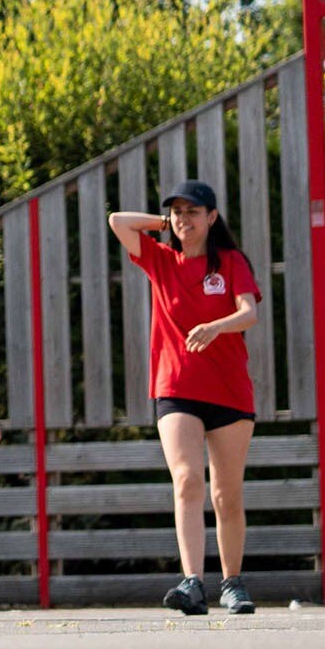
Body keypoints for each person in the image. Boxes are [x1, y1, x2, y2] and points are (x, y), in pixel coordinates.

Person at [107, 178, 263, 616]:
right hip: (175, 387)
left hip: (229, 392)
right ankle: (193, 582)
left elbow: (249, 312)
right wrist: (165, 224)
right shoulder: (160, 259)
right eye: (177, 212)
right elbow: (117, 221)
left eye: (193, 211)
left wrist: (217, 327)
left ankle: (232, 583)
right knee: (188, 480)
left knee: (226, 495)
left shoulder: (231, 262)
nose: (183, 219)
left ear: (213, 217)